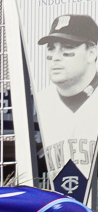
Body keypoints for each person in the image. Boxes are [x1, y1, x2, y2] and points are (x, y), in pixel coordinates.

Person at [33, 13, 98, 200]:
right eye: (51, 49)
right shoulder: (41, 103)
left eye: (68, 48)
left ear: (92, 52)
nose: (55, 57)